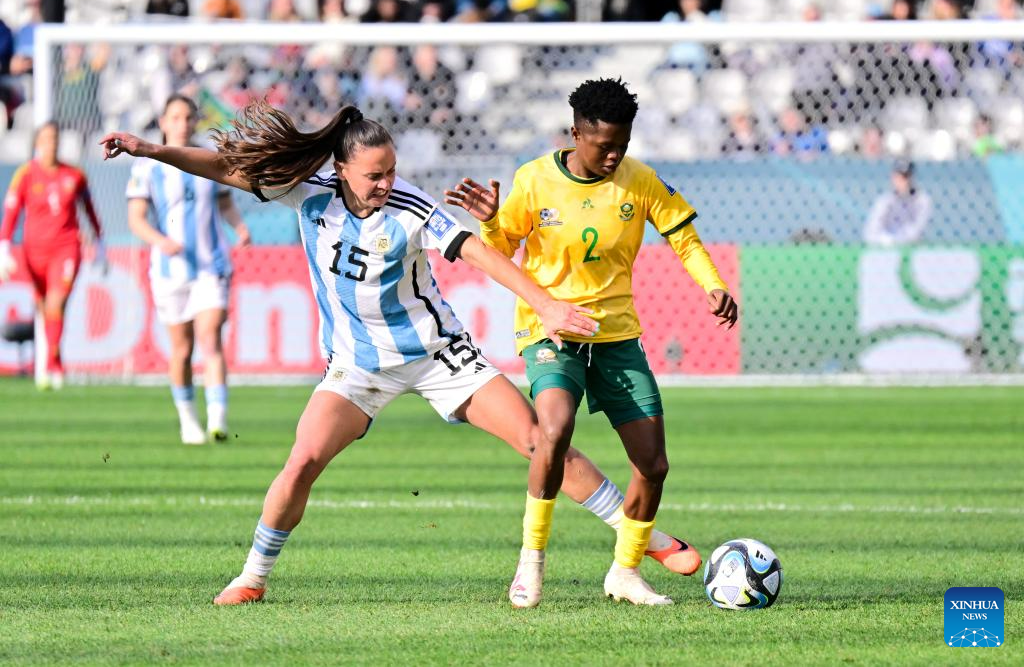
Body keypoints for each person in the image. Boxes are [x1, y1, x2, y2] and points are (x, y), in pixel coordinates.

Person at [100, 100, 701, 608]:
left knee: (541, 440)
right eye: (374, 175)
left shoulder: (412, 206)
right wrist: (152, 151)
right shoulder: (306, 193)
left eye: (392, 170)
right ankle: (253, 577)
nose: (387, 183)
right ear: (341, 169)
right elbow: (226, 167)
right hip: (357, 365)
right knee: (302, 461)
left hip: (439, 355)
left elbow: (478, 253)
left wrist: (542, 303)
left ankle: (635, 533)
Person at [445, 77, 738, 606]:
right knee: (553, 428)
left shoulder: (640, 181)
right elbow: (500, 248)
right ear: (576, 132)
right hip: (550, 329)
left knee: (653, 465)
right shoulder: (532, 180)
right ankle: (530, 562)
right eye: (604, 146)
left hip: (617, 335)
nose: (613, 156)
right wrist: (490, 220)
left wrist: (713, 285)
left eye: (622, 145)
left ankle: (624, 572)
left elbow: (684, 238)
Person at [124, 95, 250, 444]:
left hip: (212, 265)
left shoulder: (208, 160)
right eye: (175, 117)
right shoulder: (147, 166)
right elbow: (135, 218)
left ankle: (218, 419)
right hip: (170, 270)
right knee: (181, 349)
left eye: (188, 117)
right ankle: (188, 421)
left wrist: (239, 227)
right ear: (163, 122)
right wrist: (160, 241)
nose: (182, 123)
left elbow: (226, 202)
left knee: (211, 338)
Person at [0, 122, 104, 390]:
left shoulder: (75, 175)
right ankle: (52, 360)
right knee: (46, 309)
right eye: (46, 138)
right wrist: (3, 248)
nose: (51, 143)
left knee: (56, 304)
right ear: (37, 143)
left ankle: (52, 365)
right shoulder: (25, 175)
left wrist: (100, 245)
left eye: (55, 138)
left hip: (67, 248)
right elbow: (11, 213)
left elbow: (90, 211)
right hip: (33, 252)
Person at [863, 159, 933, 247]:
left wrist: (899, 240)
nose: (902, 181)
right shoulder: (885, 200)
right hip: (885, 247)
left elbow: (917, 230)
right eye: (898, 176)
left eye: (905, 177)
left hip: (911, 246)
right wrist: (886, 239)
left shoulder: (922, 200)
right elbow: (871, 230)